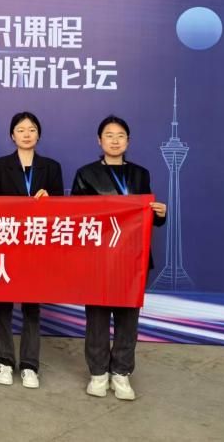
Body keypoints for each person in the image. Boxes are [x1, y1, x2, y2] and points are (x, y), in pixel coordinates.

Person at [71, 115, 167, 401]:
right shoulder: (86, 174)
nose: (115, 140)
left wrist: (160, 214)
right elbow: (75, 218)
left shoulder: (140, 174)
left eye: (120, 135)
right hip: (98, 257)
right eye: (109, 135)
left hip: (132, 258)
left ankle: (122, 373)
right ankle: (98, 373)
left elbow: (146, 218)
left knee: (128, 318)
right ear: (99, 140)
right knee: (97, 318)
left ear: (128, 141)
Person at [0, 112, 63, 389]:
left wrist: (50, 201)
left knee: (32, 306)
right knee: (4, 305)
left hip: (37, 244)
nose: (27, 134)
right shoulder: (0, 165)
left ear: (38, 134)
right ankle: (5, 361)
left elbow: (62, 211)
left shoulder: (51, 167)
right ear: (12, 135)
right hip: (7, 243)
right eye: (21, 130)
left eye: (32, 129)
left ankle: (30, 365)